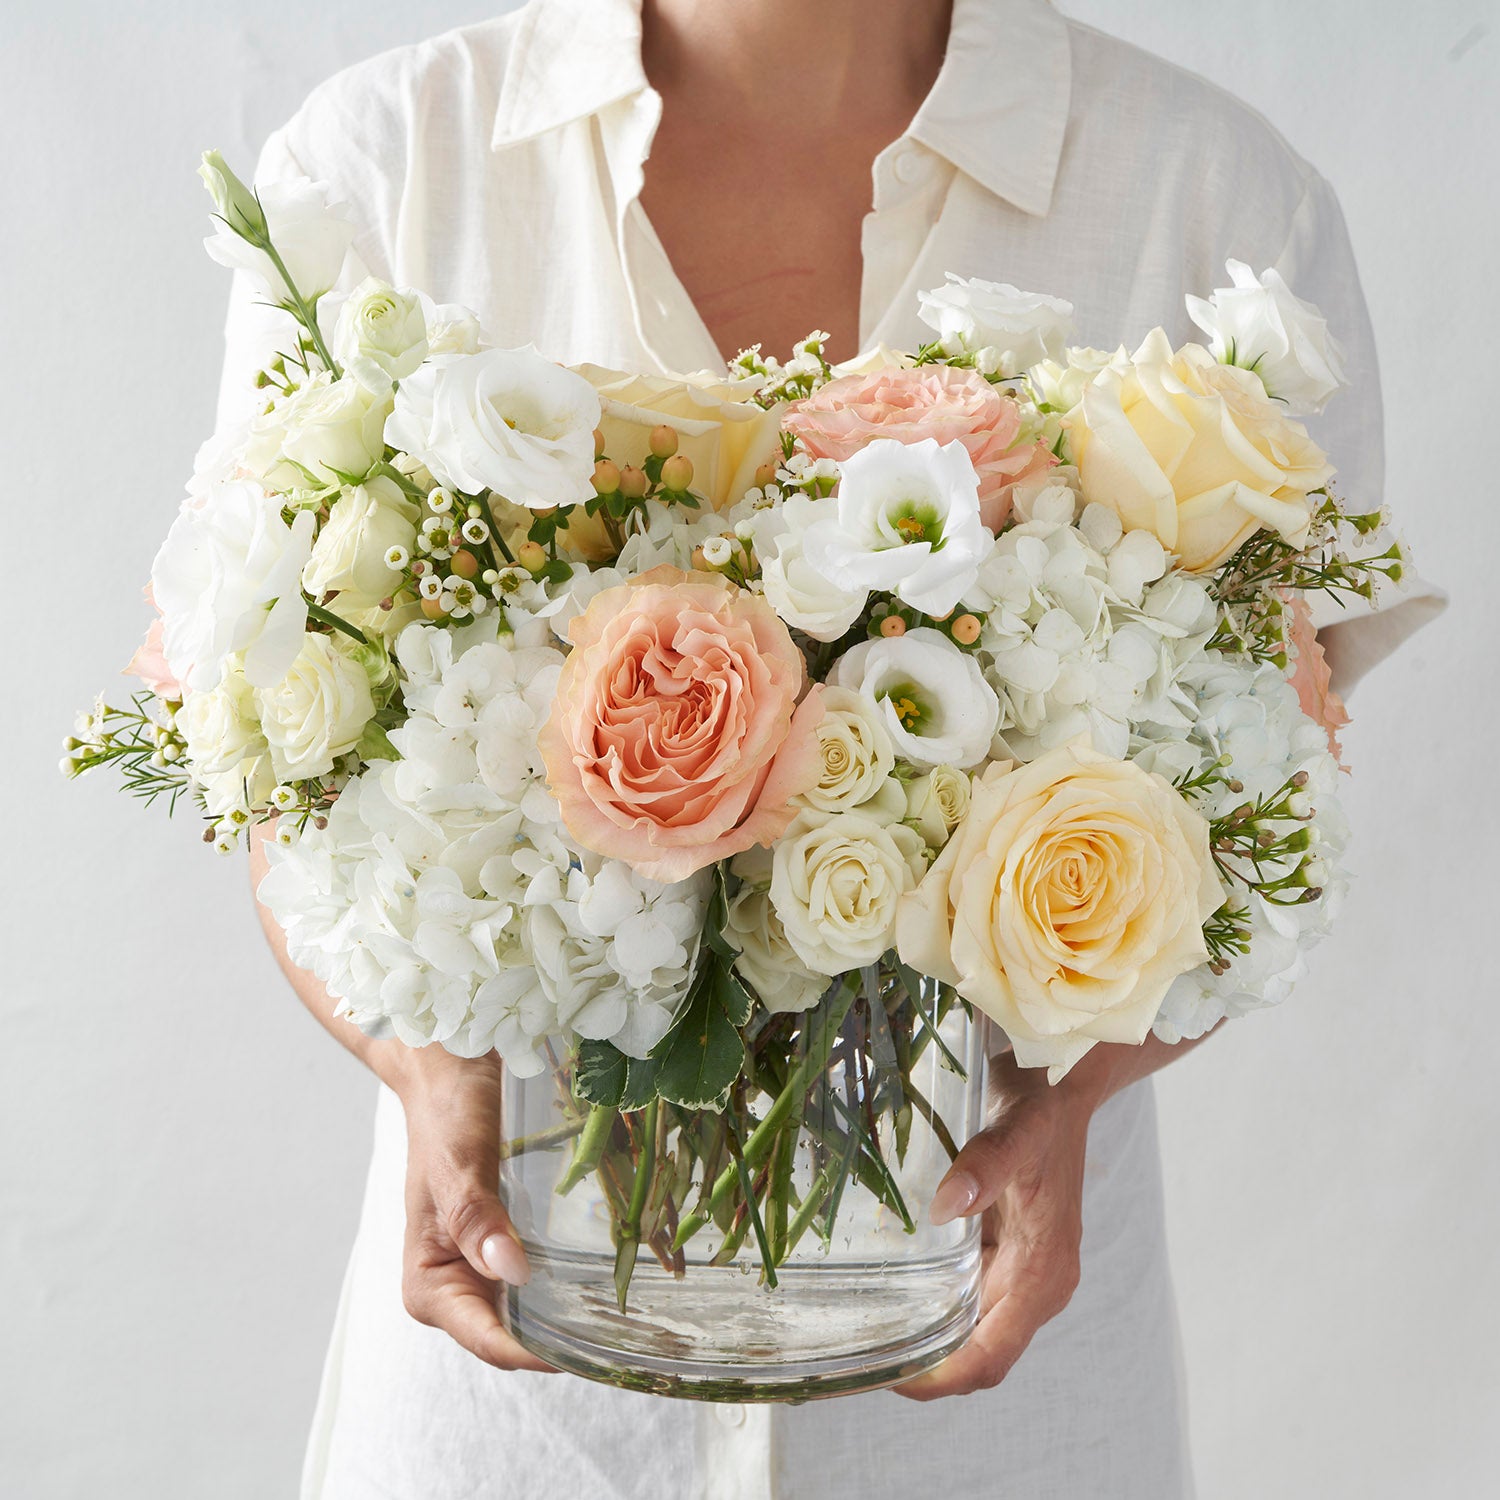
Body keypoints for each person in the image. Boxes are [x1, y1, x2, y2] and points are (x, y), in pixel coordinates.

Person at [231, 2, 1442, 1495]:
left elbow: (1271, 795)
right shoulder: (377, 164)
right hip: (527, 1401)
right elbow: (278, 763)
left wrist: (1077, 1094)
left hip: (988, 1383)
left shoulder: (1217, 200)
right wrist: (425, 1075)